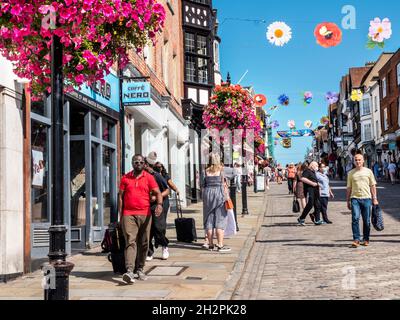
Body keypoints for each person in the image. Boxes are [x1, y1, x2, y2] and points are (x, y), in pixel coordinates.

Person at [119, 155, 163, 284]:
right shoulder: (125, 178)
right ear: (132, 163)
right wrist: (120, 215)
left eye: (141, 162)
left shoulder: (149, 178)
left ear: (144, 164)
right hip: (128, 214)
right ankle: (129, 271)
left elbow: (158, 192)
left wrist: (159, 205)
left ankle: (140, 269)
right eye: (136, 162)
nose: (138, 163)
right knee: (130, 241)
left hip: (145, 214)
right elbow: (120, 197)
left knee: (144, 242)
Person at [347, 153, 379, 248]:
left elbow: (372, 185)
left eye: (359, 160)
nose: (358, 161)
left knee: (366, 221)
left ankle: (366, 239)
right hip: (355, 198)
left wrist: (375, 198)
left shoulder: (368, 172)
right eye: (356, 160)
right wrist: (348, 200)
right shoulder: (351, 173)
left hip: (366, 198)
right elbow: (349, 187)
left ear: (363, 161)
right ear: (354, 161)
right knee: (355, 218)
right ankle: (356, 239)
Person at [202, 153, 231, 252]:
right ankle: (220, 244)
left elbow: (202, 184)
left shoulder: (206, 171)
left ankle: (210, 244)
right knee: (220, 219)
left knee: (209, 220)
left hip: (208, 195)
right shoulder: (221, 170)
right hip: (219, 195)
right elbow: (227, 181)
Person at [145, 158, 170, 261]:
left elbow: (167, 190)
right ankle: (149, 252)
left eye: (144, 164)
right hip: (145, 205)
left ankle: (165, 245)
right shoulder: (139, 176)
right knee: (148, 230)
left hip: (158, 204)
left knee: (159, 227)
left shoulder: (156, 176)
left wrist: (156, 197)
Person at [297, 161, 323, 226]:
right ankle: (301, 218)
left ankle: (317, 219)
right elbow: (303, 179)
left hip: (315, 191)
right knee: (310, 205)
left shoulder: (313, 172)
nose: (317, 167)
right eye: (316, 166)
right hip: (310, 190)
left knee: (317, 205)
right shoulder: (307, 171)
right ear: (312, 166)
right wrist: (313, 183)